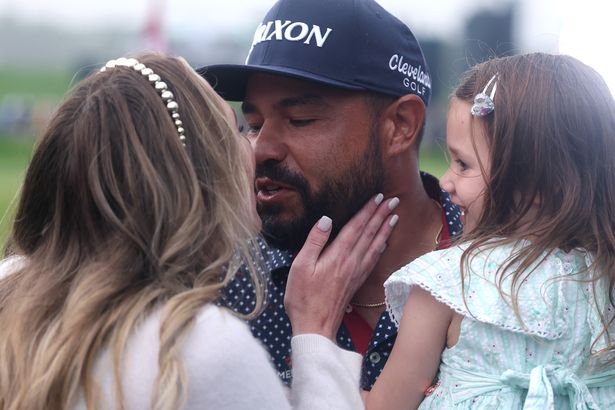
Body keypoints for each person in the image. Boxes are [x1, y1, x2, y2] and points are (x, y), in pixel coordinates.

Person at [0, 53, 398, 409]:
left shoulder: (11, 289)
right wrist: (315, 335)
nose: (257, 151)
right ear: (196, 178)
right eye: (241, 129)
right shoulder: (198, 349)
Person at [198, 0, 462, 389]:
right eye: (252, 124)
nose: (261, 149)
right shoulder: (224, 288)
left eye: (300, 119)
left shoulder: (506, 268)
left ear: (400, 126)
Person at [359, 53, 615, 408]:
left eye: (463, 164)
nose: (446, 181)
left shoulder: (450, 283)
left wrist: (322, 361)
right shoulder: (606, 282)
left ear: (537, 183)